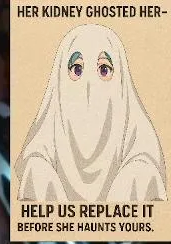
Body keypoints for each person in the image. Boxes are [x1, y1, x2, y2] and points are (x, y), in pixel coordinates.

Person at [15, 24, 167, 202]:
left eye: (104, 70)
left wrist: (132, 179)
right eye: (77, 69)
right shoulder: (48, 135)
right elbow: (34, 160)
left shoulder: (137, 141)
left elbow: (148, 166)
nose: (89, 84)